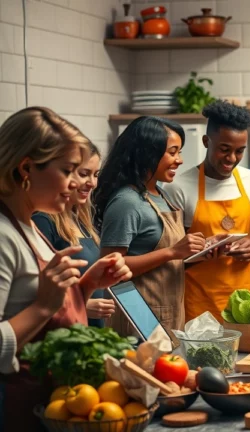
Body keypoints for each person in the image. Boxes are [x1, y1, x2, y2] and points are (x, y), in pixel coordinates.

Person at [0, 107, 131, 430]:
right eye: (68, 170)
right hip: (19, 410)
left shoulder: (29, 225)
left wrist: (85, 285)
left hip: (56, 405)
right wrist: (45, 304)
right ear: (27, 168)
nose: (76, 184)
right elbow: (42, 305)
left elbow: (43, 303)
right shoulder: (3, 236)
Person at [94, 116, 208, 332]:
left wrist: (201, 251)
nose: (180, 160)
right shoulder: (127, 202)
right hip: (139, 315)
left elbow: (165, 259)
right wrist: (173, 252)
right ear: (147, 153)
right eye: (172, 152)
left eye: (179, 152)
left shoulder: (160, 195)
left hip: (167, 312)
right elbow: (110, 268)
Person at [165, 101, 250, 322]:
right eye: (224, 149)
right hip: (200, 304)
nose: (231, 159)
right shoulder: (178, 188)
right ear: (205, 141)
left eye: (239, 151)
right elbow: (170, 258)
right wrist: (201, 254)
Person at [33, 142, 113, 327]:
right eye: (84, 174)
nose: (92, 183)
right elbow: (33, 292)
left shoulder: (82, 220)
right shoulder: (44, 222)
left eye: (95, 175)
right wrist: (82, 304)